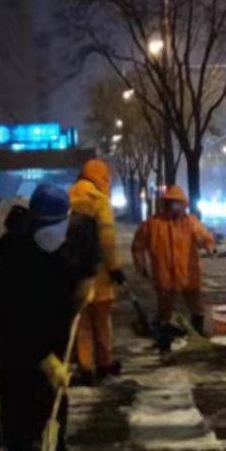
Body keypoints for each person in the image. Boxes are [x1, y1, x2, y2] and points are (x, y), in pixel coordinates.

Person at [0, 184, 101, 451]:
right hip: (15, 353)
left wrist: (83, 288)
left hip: (53, 348)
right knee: (19, 414)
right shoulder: (11, 251)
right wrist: (39, 356)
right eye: (47, 223)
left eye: (58, 222)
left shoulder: (63, 249)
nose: (53, 230)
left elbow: (83, 265)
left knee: (54, 411)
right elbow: (0, 314)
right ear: (33, 219)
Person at [131, 185, 217, 346]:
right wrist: (140, 264)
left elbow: (204, 236)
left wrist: (210, 245)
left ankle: (197, 331)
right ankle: (163, 335)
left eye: (178, 203)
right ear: (165, 203)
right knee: (165, 307)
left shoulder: (190, 222)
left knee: (196, 305)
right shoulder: (153, 224)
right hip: (164, 274)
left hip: (188, 273)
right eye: (171, 203)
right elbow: (138, 245)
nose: (174, 206)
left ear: (183, 204)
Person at [69, 158, 126, 381]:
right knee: (102, 321)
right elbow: (107, 238)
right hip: (99, 274)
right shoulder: (99, 201)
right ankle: (104, 362)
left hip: (74, 273)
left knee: (81, 322)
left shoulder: (68, 197)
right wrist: (114, 268)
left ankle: (85, 367)